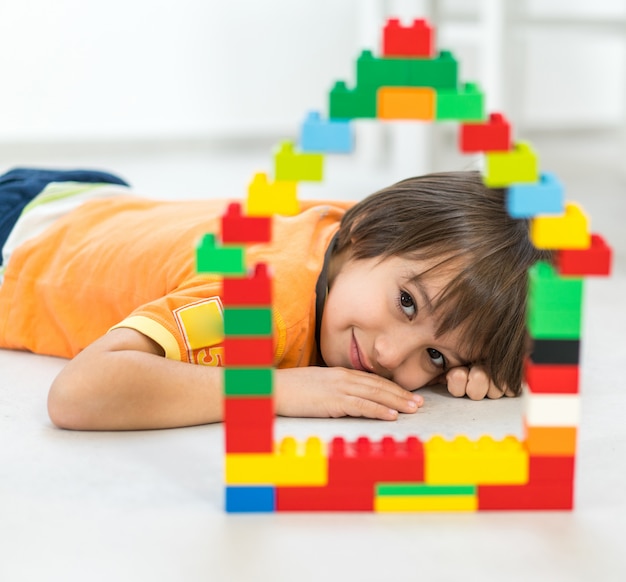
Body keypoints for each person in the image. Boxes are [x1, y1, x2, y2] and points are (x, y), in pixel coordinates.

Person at [0, 168, 550, 431]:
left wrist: (484, 361)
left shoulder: (351, 232)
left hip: (92, 201)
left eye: (433, 356)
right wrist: (277, 387)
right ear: (365, 232)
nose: (388, 355)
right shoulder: (260, 306)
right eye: (407, 303)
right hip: (18, 241)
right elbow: (79, 394)